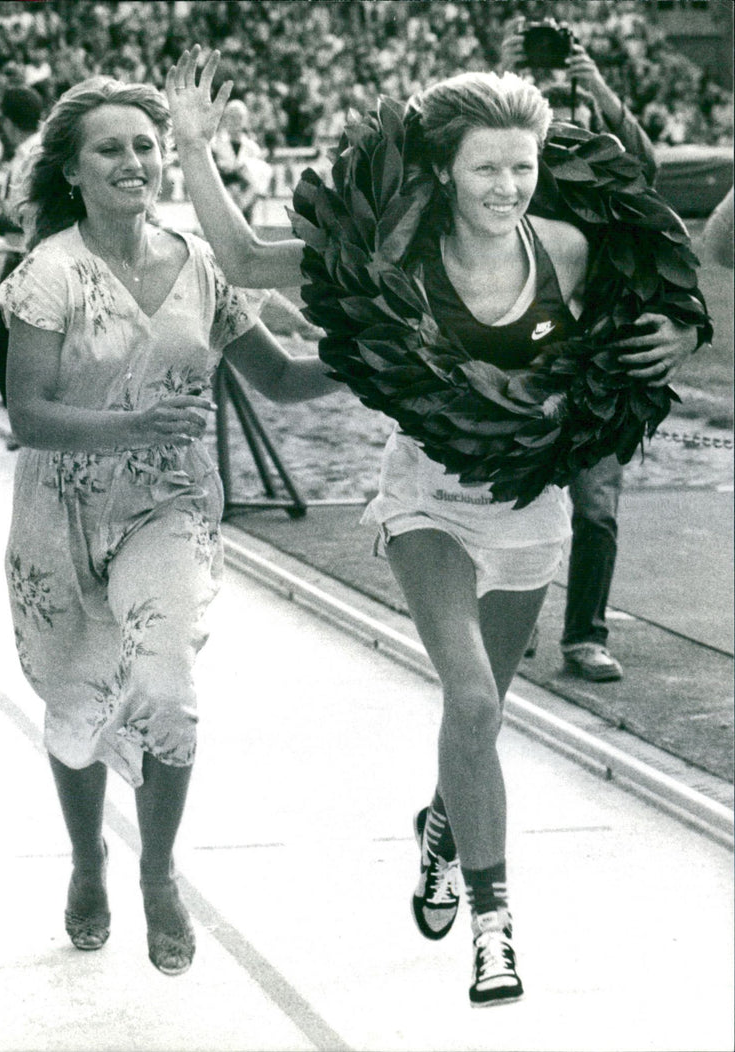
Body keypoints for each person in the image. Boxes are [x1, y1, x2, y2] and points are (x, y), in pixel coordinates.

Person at [166, 47, 701, 1007]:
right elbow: (246, 260)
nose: (506, 184)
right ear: (446, 168)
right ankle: (494, 928)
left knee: (478, 713)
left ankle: (444, 828)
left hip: (529, 502)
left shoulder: (568, 250)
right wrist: (195, 147)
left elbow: (670, 294)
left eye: (521, 166)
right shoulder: (396, 249)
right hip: (425, 497)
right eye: (486, 166)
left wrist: (685, 335)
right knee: (475, 700)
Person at [0, 74, 338, 978]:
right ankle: (85, 861)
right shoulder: (47, 275)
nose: (134, 162)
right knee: (75, 704)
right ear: (71, 169)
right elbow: (27, 415)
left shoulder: (200, 264)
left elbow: (282, 380)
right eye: (110, 148)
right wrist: (131, 424)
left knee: (168, 684)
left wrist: (374, 356)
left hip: (170, 505)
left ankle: (156, 871)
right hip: (59, 511)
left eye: (145, 146)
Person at [500, 19, 693, 681]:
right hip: (529, 348)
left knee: (596, 507)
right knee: (515, 492)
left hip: (605, 357)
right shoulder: (524, 172)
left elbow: (645, 166)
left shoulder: (616, 179)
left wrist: (599, 88)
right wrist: (509, 85)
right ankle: (515, 622)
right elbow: (472, 160)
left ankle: (584, 635)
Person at [0, 86, 43, 428]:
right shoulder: (31, 151)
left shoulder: (31, 155)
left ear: (8, 123)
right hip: (21, 253)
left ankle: (20, 419)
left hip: (25, 255)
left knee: (2, 338)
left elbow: (25, 213)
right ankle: (21, 417)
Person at [210, 99, 272, 225]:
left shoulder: (253, 148)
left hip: (247, 205)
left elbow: (260, 180)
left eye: (239, 117)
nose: (235, 121)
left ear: (245, 120)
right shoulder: (214, 144)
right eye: (231, 116)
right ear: (225, 119)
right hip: (222, 202)